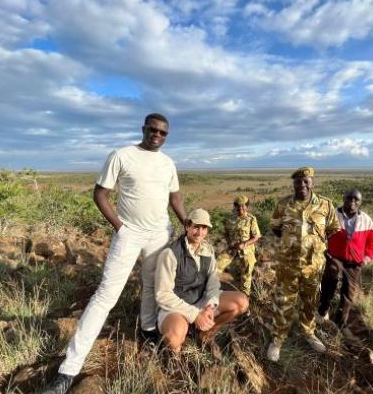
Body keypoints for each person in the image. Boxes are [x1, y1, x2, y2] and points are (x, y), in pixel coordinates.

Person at [40, 113, 187, 394]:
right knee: (105, 295)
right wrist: (120, 227)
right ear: (143, 129)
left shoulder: (168, 163)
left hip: (159, 234)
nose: (157, 135)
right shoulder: (122, 155)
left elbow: (175, 197)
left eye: (163, 132)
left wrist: (185, 222)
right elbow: (100, 194)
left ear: (167, 136)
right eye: (153, 130)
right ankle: (68, 370)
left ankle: (147, 329)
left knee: (151, 286)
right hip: (129, 234)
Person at [266, 167, 340, 362]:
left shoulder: (325, 205)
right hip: (288, 264)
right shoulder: (283, 204)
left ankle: (309, 333)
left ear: (312, 182)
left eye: (306, 181)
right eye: (298, 181)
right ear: (294, 184)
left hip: (313, 266)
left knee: (310, 301)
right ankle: (278, 339)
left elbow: (332, 229)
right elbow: (275, 227)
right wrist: (292, 244)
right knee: (284, 300)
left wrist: (314, 245)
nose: (302, 184)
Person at [155, 208, 249, 353]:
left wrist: (210, 306)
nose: (200, 232)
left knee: (241, 302)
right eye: (196, 227)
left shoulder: (207, 250)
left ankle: (205, 334)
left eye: (204, 228)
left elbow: (213, 283)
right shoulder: (170, 253)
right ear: (187, 226)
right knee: (174, 337)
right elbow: (162, 295)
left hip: (201, 301)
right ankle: (176, 356)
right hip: (176, 307)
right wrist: (195, 315)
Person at [317, 189, 373, 331]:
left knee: (348, 294)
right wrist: (322, 250)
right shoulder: (333, 215)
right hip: (334, 258)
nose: (352, 202)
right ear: (343, 198)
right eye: (349, 198)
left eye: (356, 200)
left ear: (360, 202)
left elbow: (372, 241)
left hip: (354, 263)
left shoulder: (366, 220)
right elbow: (320, 233)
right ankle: (322, 312)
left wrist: (367, 257)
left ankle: (339, 324)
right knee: (328, 285)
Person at [216, 195, 261, 295]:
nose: (240, 208)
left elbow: (256, 236)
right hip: (232, 249)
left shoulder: (251, 219)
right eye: (238, 206)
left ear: (246, 206)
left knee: (246, 273)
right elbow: (226, 233)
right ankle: (214, 290)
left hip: (246, 249)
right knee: (216, 266)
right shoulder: (230, 219)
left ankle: (245, 297)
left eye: (243, 206)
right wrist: (229, 242)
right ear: (235, 206)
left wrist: (244, 244)